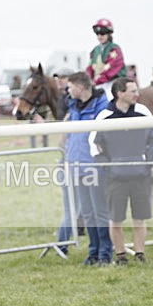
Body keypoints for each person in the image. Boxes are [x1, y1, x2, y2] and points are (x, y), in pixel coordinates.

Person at [89, 78, 153, 264]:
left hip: (140, 177)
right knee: (116, 219)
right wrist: (109, 167)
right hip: (116, 179)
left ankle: (140, 254)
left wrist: (147, 163)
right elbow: (94, 146)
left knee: (140, 219)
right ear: (120, 94)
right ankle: (120, 255)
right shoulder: (104, 116)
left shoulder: (143, 112)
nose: (137, 94)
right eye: (133, 91)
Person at [59, 72, 112, 265]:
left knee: (100, 212)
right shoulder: (73, 107)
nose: (68, 91)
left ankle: (105, 253)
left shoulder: (102, 108)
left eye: (70, 87)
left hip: (94, 167)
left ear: (80, 87)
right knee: (88, 213)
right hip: (77, 166)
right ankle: (93, 252)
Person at [85, 18, 126, 99]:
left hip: (112, 83)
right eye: (97, 34)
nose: (100, 36)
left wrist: (96, 81)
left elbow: (112, 68)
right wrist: (88, 80)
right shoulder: (94, 50)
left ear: (109, 34)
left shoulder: (115, 49)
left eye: (102, 33)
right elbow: (89, 68)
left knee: (110, 98)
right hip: (96, 84)